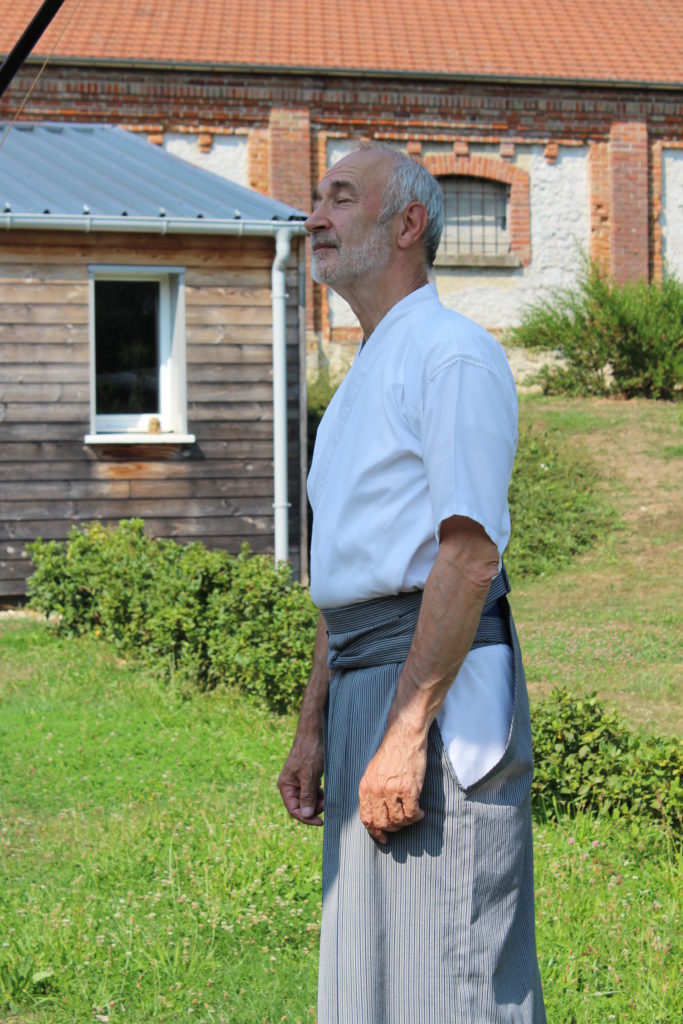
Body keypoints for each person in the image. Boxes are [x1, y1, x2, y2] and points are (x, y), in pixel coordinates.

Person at [278, 142, 546, 1024]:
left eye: (339, 197)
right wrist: (314, 723)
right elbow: (346, 576)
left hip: (430, 700)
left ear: (406, 225)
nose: (315, 215)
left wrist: (402, 732)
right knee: (371, 974)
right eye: (316, 198)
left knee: (449, 976)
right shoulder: (362, 375)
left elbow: (467, 558)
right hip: (365, 689)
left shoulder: (452, 356)